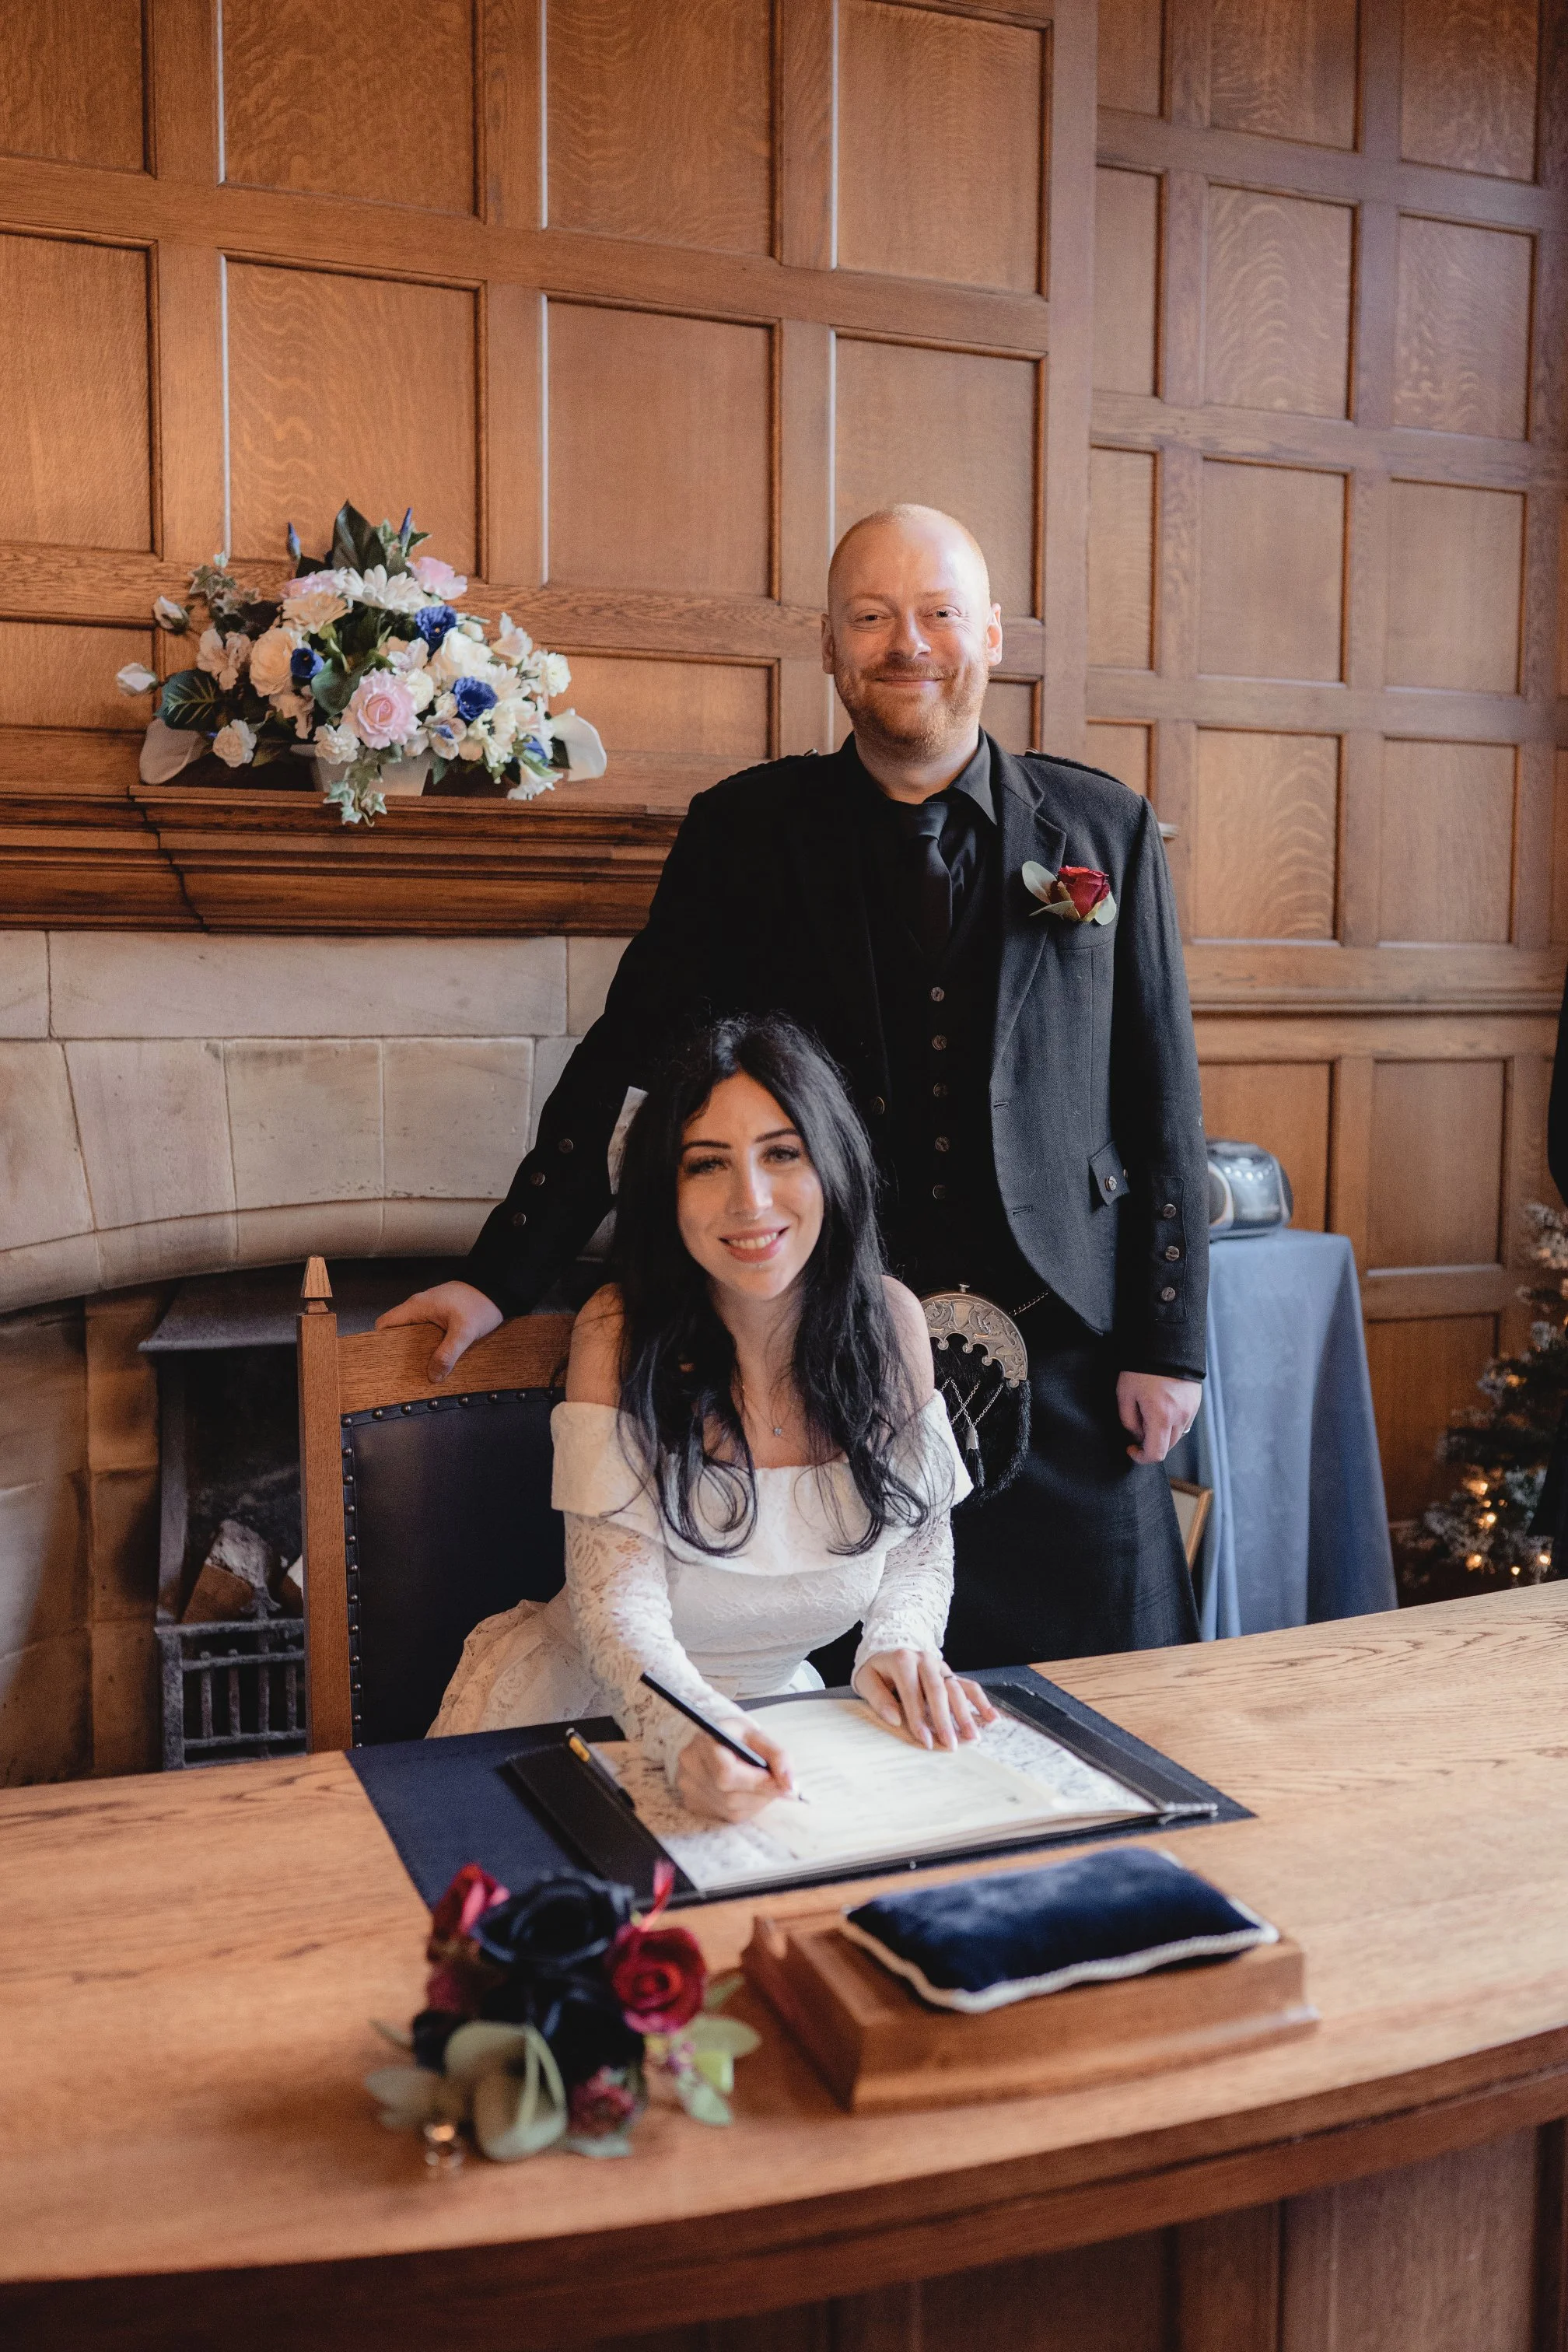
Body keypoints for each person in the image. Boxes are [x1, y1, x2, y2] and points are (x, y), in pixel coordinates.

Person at [385, 502, 1208, 1664]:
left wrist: (1169, 1342)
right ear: (830, 646)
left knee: (1105, 1710)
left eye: (935, 614)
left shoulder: (1103, 828)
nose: (905, 644)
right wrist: (499, 1273)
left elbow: (1162, 1102)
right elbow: (628, 1066)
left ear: (994, 637)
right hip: (823, 1371)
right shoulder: (742, 834)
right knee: (854, 1734)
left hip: (1069, 1363)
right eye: (870, 618)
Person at [431, 1015, 996, 1822]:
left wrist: (900, 1641)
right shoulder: (615, 1330)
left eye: (782, 1153)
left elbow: (917, 1541)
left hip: (783, 1727)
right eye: (708, 1164)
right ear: (669, 1191)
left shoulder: (894, 1324)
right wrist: (686, 1730)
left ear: (831, 1165)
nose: (750, 1201)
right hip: (583, 1717)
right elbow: (614, 1607)